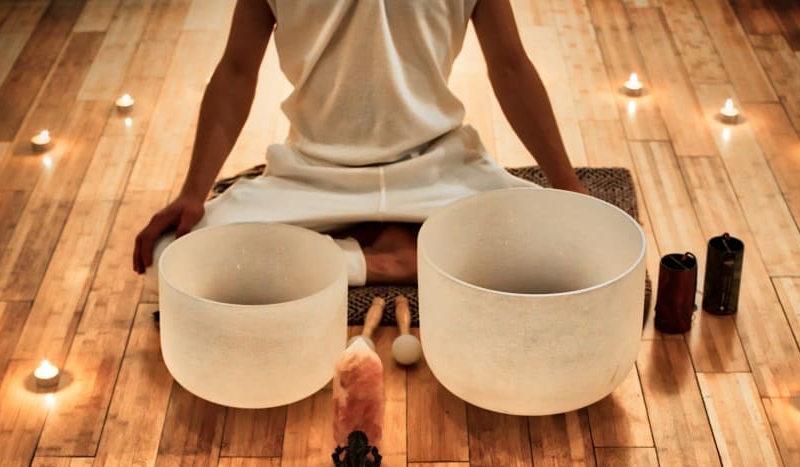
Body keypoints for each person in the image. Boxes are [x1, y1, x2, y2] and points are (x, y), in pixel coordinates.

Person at [133, 0, 586, 286]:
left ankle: (363, 244)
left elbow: (510, 66)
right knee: (169, 261)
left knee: (574, 252)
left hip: (439, 168)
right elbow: (236, 72)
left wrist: (567, 184)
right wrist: (193, 193)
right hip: (314, 176)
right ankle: (394, 255)